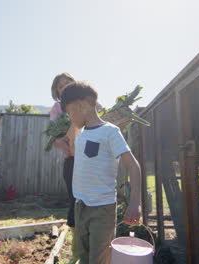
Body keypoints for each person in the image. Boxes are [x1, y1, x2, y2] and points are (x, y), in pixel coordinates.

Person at [60, 81, 142, 264]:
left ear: (82, 105)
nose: (70, 118)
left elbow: (133, 165)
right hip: (80, 206)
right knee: (83, 256)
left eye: (70, 112)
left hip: (102, 209)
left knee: (99, 258)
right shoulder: (80, 135)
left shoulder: (110, 132)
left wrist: (135, 202)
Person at [49, 72, 79, 262]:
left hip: (92, 161)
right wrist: (64, 144)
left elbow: (102, 117)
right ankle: (77, 251)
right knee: (75, 202)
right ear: (57, 91)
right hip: (72, 161)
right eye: (60, 86)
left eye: (68, 83)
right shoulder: (57, 109)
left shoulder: (87, 101)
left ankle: (93, 246)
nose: (65, 87)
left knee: (92, 202)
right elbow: (54, 137)